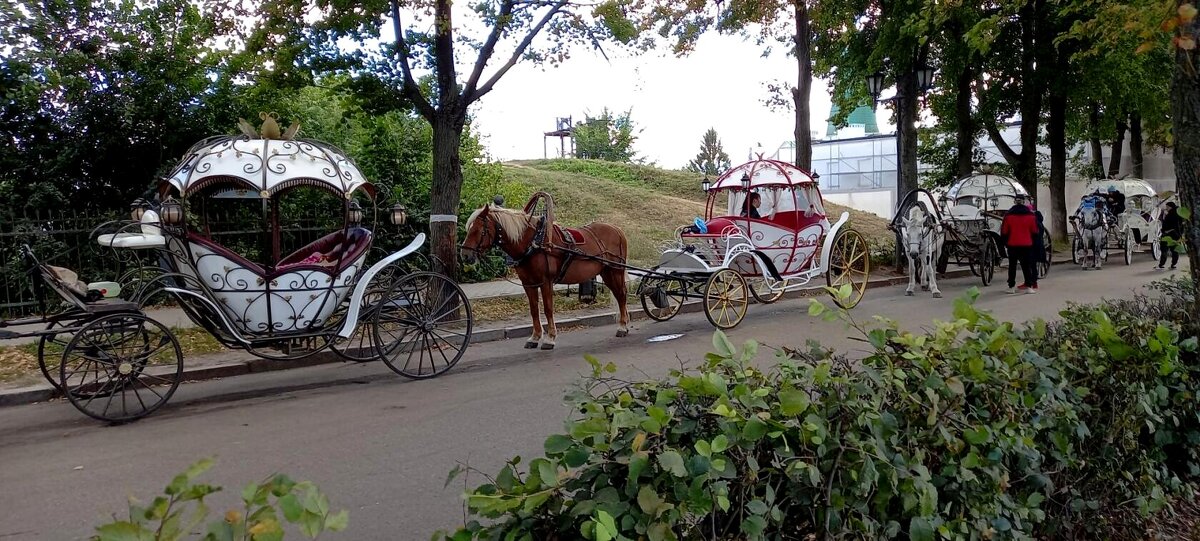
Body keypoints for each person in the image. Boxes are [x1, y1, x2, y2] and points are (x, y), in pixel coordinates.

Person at [1000, 196, 1040, 294]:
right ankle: (1029, 285)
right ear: (1023, 202)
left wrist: (1005, 243)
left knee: (1012, 266)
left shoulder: (1008, 216)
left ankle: (1011, 286)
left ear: (1015, 202)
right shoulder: (1031, 216)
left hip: (1012, 244)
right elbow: (1035, 231)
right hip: (1027, 244)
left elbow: (1004, 231)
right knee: (1026, 265)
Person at [1157, 201, 1183, 270]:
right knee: (1175, 250)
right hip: (1176, 235)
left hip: (1168, 234)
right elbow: (1181, 225)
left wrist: (1164, 231)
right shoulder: (1179, 214)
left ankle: (1161, 264)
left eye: (1167, 207)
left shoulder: (1170, 215)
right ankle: (1173, 264)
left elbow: (1166, 225)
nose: (1166, 208)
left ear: (1170, 207)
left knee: (1164, 249)